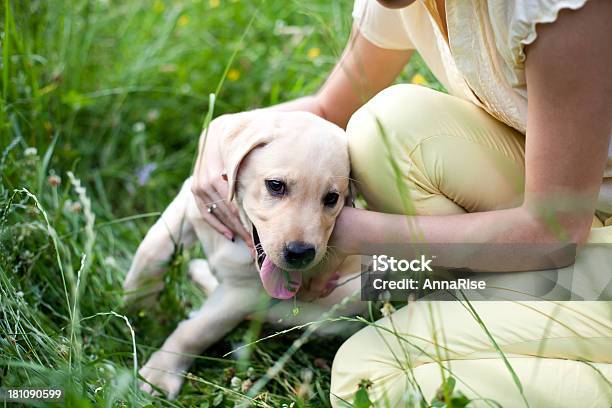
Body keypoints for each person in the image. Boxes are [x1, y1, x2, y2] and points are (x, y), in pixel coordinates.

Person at [192, 0, 612, 406]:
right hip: (580, 202)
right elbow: (326, 109)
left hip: (567, 231)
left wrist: (357, 235)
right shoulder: (403, 1)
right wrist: (223, 133)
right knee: (384, 129)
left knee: (367, 375)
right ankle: (475, 299)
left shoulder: (559, 7)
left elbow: (554, 231)